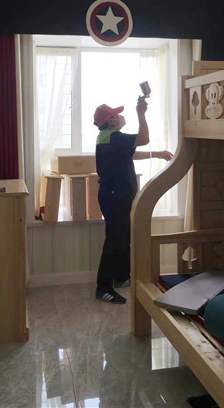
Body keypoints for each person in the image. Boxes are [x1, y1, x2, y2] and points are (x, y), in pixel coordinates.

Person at [93, 100, 173, 304]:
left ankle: (121, 277)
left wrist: (157, 154)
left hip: (115, 196)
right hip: (114, 197)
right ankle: (103, 288)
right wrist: (141, 113)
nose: (120, 117)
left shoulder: (109, 138)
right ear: (110, 121)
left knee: (122, 237)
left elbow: (131, 153)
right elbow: (143, 139)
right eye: (115, 115)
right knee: (114, 240)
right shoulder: (114, 137)